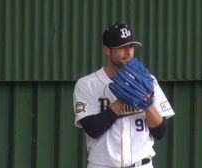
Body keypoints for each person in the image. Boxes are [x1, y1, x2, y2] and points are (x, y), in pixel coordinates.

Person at [73, 23, 175, 168]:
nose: (128, 52)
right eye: (122, 47)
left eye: (131, 46)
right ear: (106, 50)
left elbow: (160, 132)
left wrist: (147, 104)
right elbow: (93, 129)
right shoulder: (87, 84)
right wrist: (123, 97)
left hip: (142, 164)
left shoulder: (147, 81)